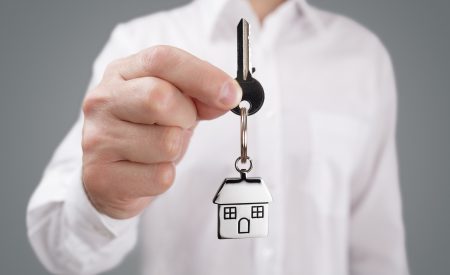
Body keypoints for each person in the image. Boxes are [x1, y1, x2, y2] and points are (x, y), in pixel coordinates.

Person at [26, 0, 410, 274]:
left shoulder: (363, 55)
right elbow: (64, 254)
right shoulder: (139, 45)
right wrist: (104, 201)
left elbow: (379, 251)